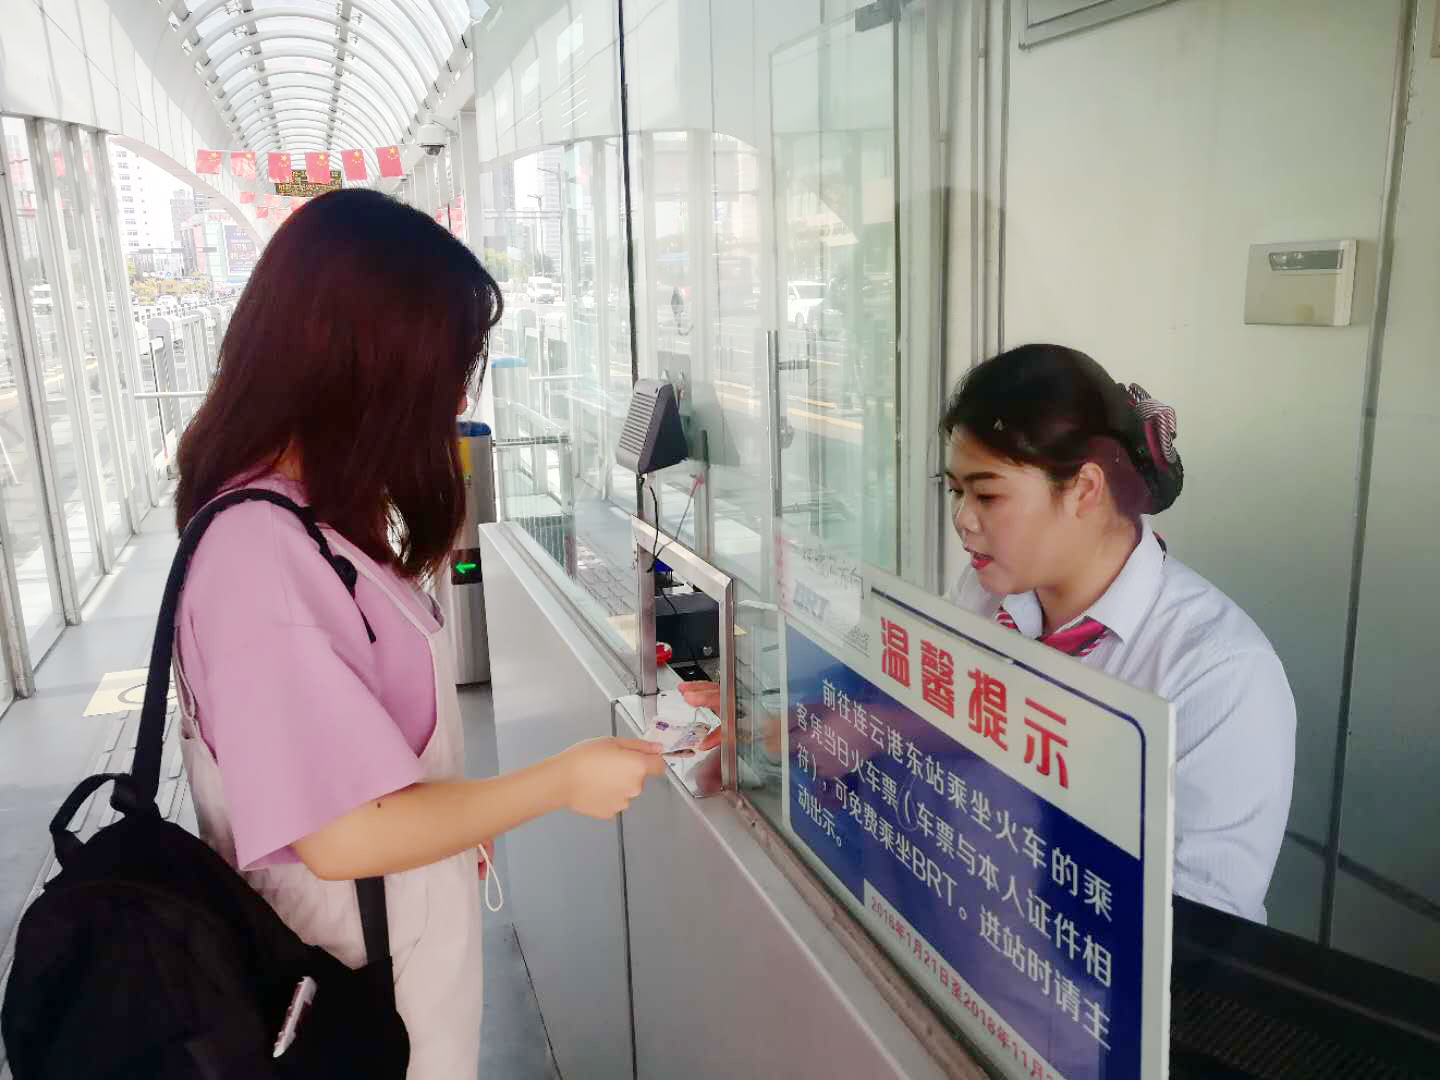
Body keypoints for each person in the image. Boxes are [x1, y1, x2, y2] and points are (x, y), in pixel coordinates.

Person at [171, 189, 666, 1078]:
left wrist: (456, 825)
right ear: (361, 369)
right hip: (343, 995)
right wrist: (561, 780)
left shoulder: (308, 519)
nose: (456, 396)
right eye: (444, 369)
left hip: (387, 960)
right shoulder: (258, 555)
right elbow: (342, 835)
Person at [942, 343, 1295, 922]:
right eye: (956, 491)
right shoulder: (986, 594)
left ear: (1085, 488)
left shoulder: (1219, 673)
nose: (962, 519)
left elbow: (1197, 924)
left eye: (987, 494)